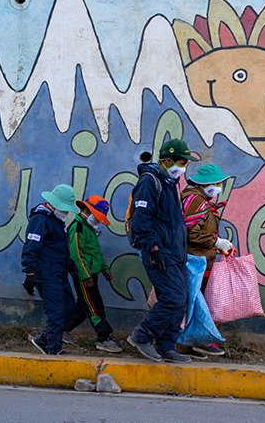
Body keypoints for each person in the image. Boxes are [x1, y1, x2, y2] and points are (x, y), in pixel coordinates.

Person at [126, 138, 199, 363]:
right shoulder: (150, 182)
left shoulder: (170, 182)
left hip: (176, 254)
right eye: (181, 162)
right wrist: (154, 248)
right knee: (174, 298)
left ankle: (167, 347)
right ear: (167, 160)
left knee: (180, 300)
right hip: (160, 252)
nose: (184, 167)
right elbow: (141, 220)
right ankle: (142, 336)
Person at [178, 164, 233, 359]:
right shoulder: (196, 201)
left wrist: (216, 245)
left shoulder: (199, 200)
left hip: (200, 259)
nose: (219, 187)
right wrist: (215, 241)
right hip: (193, 260)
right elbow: (190, 232)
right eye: (217, 183)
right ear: (206, 184)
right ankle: (194, 342)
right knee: (192, 304)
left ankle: (186, 346)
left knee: (192, 303)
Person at [21, 184, 78, 355]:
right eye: (64, 208)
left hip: (59, 274)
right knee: (56, 313)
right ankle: (54, 349)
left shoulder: (56, 220)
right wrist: (29, 273)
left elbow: (57, 247)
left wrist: (69, 265)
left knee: (69, 307)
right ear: (52, 204)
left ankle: (43, 339)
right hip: (47, 274)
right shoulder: (40, 219)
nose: (66, 212)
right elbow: (31, 247)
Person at [65, 195, 123, 353]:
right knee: (94, 306)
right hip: (84, 276)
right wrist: (86, 276)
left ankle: (61, 330)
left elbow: (95, 253)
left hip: (91, 275)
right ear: (86, 210)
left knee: (85, 305)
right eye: (96, 217)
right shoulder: (77, 228)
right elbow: (76, 254)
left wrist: (104, 269)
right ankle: (103, 338)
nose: (97, 221)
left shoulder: (88, 228)